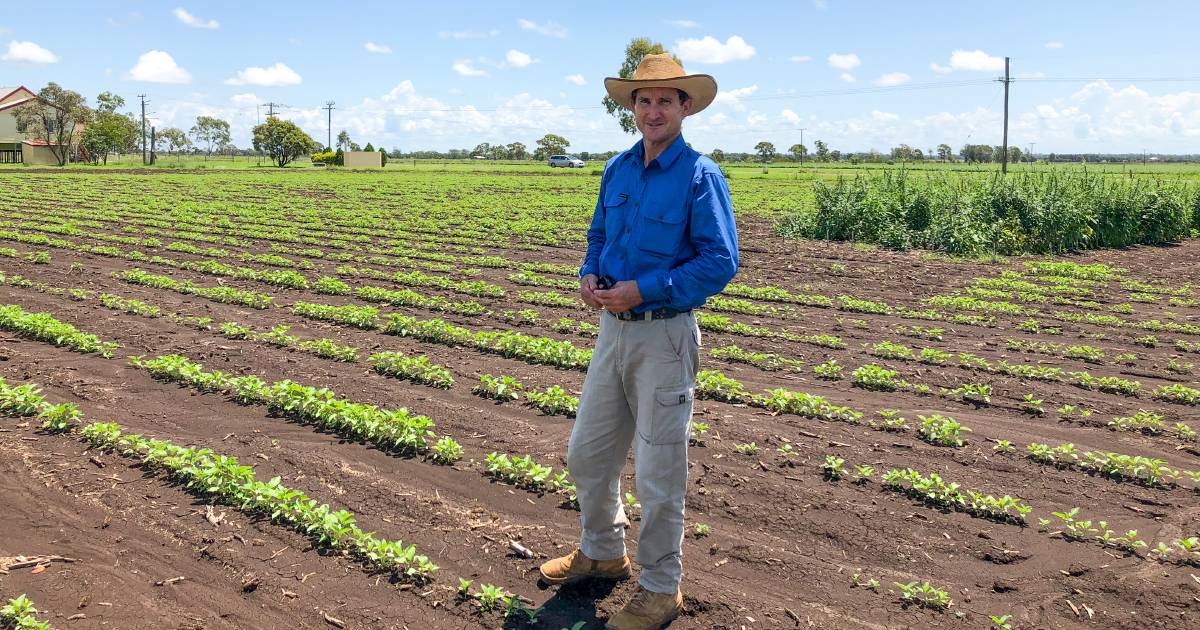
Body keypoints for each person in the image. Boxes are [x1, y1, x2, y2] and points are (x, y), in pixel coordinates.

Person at [538, 53, 739, 630]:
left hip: (665, 337)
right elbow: (600, 232)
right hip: (613, 333)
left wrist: (644, 290)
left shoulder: (701, 176)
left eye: (665, 101)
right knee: (588, 454)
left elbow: (720, 263)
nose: (653, 110)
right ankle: (603, 550)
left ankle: (659, 589)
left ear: (685, 107)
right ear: (631, 108)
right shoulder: (617, 170)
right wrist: (589, 271)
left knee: (658, 470)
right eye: (643, 100)